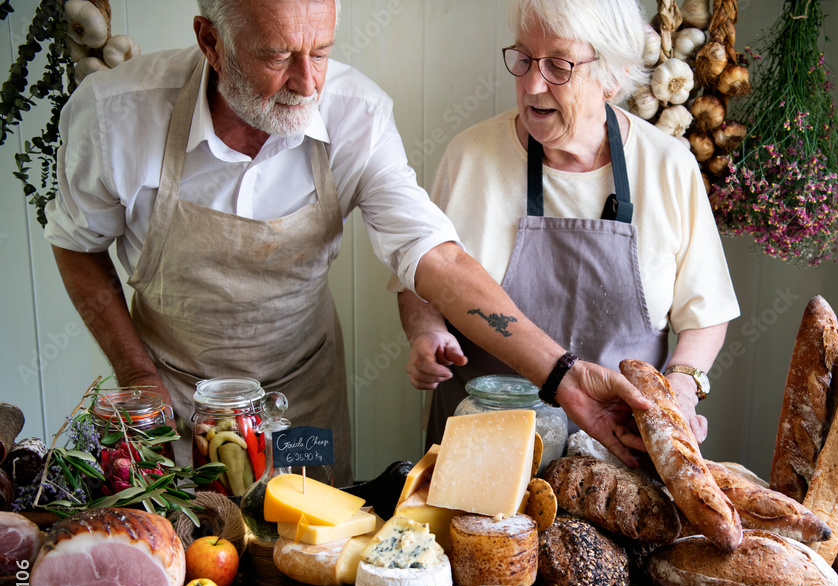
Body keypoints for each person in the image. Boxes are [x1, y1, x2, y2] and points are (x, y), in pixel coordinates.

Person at [45, 0, 654, 486]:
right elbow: (77, 246)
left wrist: (566, 377)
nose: (306, 81)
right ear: (211, 42)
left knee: (301, 569)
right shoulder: (114, 116)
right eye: (278, 55)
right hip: (169, 394)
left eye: (322, 51)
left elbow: (434, 257)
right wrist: (136, 375)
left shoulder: (355, 113)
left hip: (299, 398)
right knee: (178, 566)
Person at [397, 0, 739, 447]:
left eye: (559, 65)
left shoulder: (667, 166)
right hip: (480, 450)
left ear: (613, 77)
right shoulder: (471, 157)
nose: (533, 84)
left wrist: (682, 385)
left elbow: (706, 311)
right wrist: (427, 330)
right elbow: (420, 279)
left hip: (618, 454)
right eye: (523, 60)